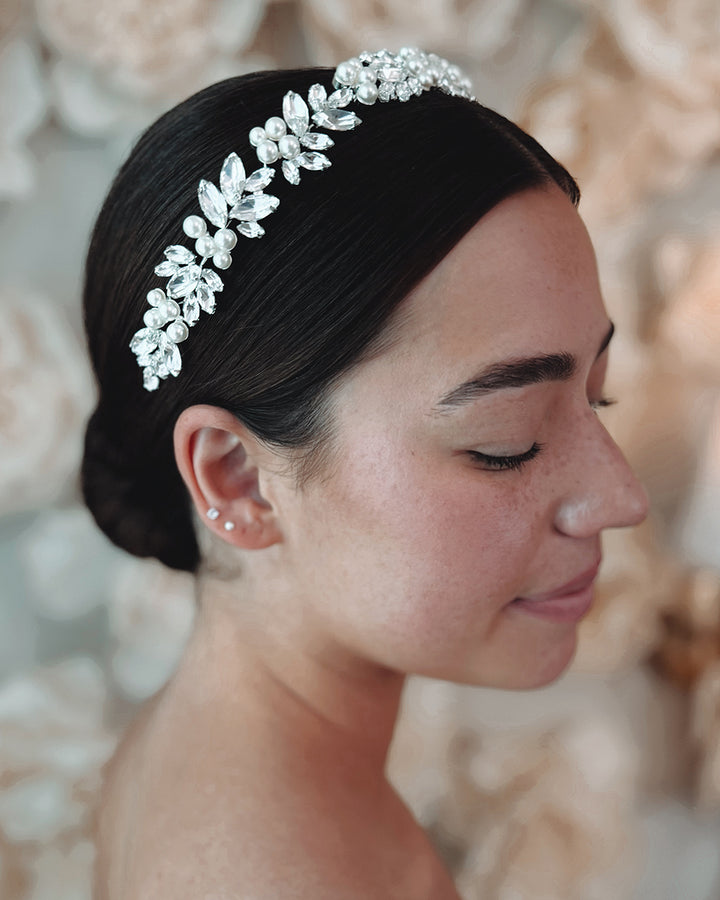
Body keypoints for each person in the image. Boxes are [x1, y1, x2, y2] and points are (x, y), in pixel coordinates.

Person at [80, 49, 649, 900]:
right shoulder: (272, 876)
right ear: (236, 476)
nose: (621, 498)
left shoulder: (215, 760)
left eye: (597, 400)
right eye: (509, 441)